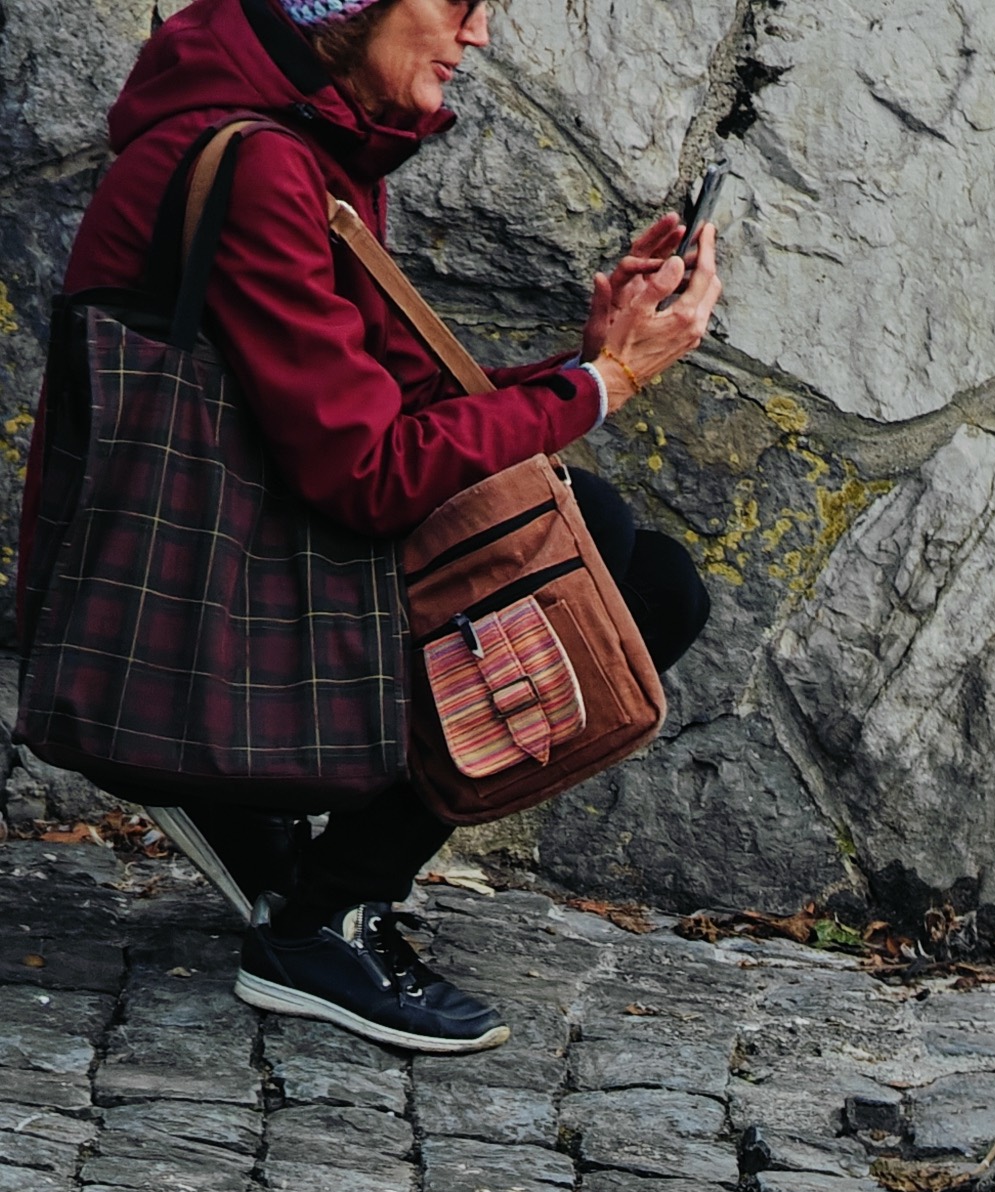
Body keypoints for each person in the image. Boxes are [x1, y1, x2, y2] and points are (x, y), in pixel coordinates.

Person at [37, 0, 720, 1054]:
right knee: (606, 576)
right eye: (455, 3)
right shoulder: (267, 164)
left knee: (629, 555)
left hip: (257, 558)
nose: (477, 34)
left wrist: (585, 362)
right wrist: (602, 384)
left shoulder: (304, 149)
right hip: (211, 613)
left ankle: (279, 854)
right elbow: (366, 474)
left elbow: (393, 410)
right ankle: (316, 925)